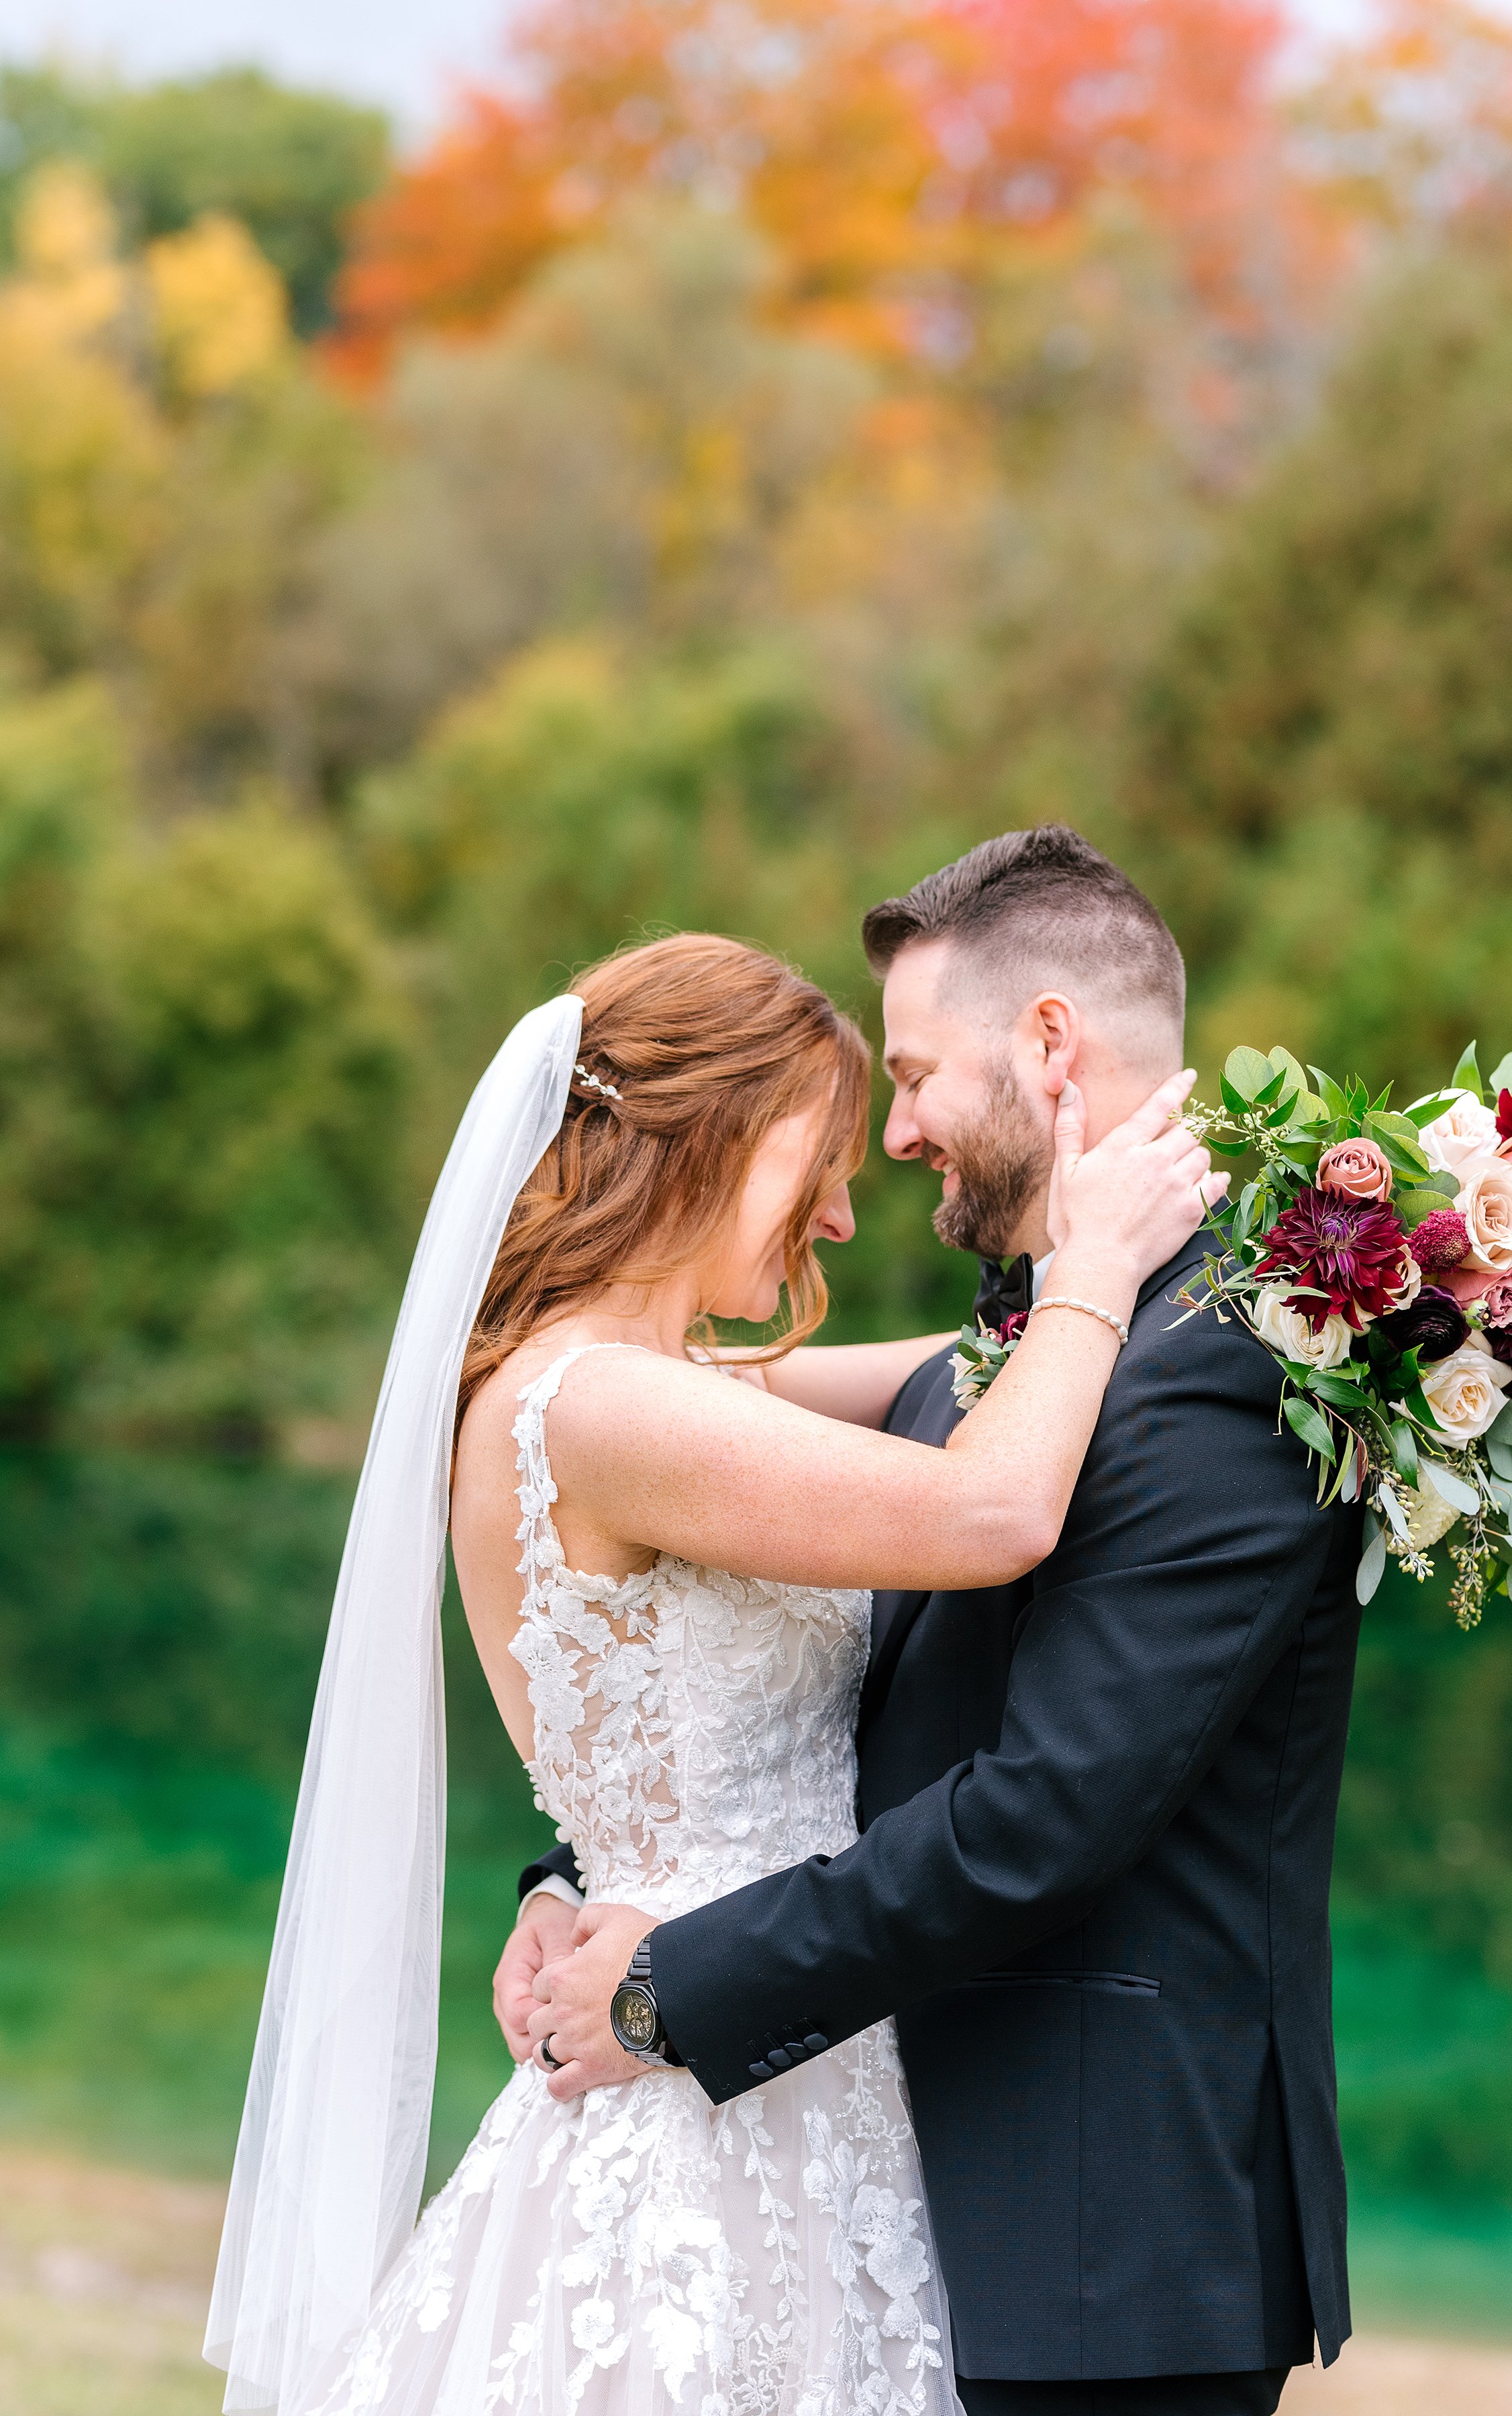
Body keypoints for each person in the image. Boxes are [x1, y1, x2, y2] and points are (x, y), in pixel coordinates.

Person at [207, 921, 1214, 2416]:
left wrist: (1179, 1284)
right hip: (705, 2096)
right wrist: (1102, 1262)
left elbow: (955, 1375)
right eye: (814, 1159)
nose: (837, 1216)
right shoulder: (609, 1411)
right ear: (705, 1136)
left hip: (760, 2035)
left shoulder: (627, 1385)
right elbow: (992, 1506)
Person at [507, 829, 1366, 2416]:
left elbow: (1041, 1819)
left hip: (1104, 2236)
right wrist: (598, 1864)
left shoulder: (1229, 1359)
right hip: (895, 2192)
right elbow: (778, 1665)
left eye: (908, 1076)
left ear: (1050, 1046)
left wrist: (669, 1979)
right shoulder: (1026, 1352)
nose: (889, 1139)